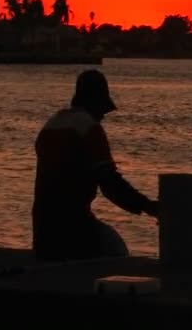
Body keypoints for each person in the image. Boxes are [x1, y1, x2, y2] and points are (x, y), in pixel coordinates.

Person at [32, 69, 158, 261]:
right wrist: (148, 206)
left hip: (42, 228)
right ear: (97, 103)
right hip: (74, 225)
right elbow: (110, 184)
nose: (103, 116)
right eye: (102, 109)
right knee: (116, 251)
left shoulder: (51, 124)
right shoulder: (89, 128)